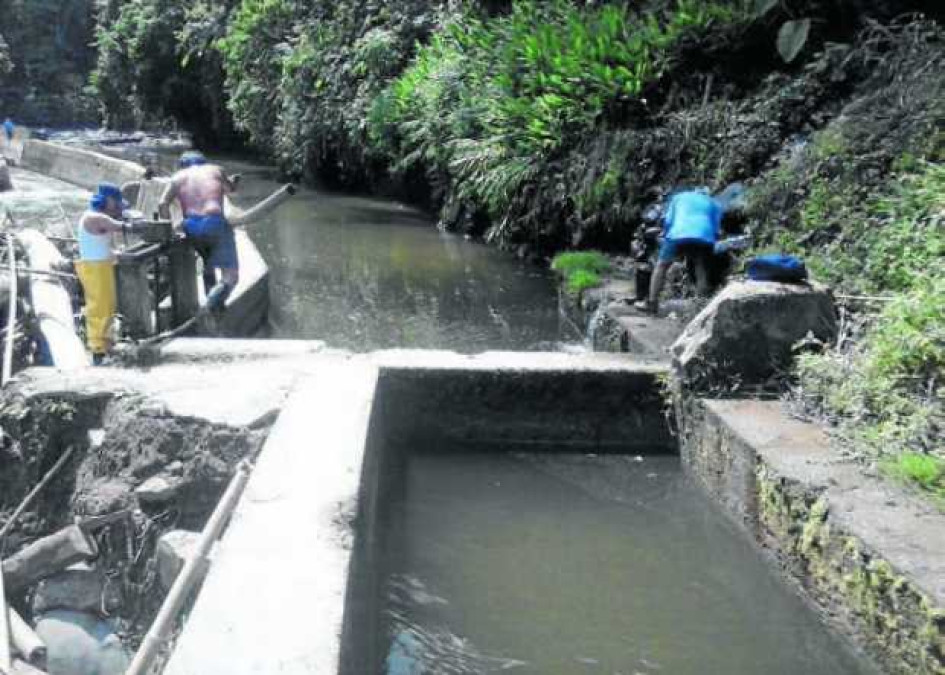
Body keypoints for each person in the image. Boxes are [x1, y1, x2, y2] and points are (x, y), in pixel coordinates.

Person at [158, 151, 239, 315]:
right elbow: (230, 189)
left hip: (191, 225)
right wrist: (234, 182)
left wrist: (168, 230)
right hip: (215, 222)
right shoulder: (216, 169)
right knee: (231, 276)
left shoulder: (177, 177)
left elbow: (162, 204)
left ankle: (215, 308)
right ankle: (211, 304)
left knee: (208, 265)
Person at [634, 188, 722, 315]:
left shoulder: (678, 197)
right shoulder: (713, 202)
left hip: (677, 233)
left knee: (662, 265)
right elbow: (716, 229)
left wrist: (665, 233)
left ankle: (652, 304)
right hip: (703, 235)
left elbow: (668, 220)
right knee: (700, 266)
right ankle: (701, 308)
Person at [75, 183, 128, 364]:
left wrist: (116, 253)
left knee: (107, 306)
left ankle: (107, 344)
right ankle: (98, 350)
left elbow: (104, 245)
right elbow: (119, 226)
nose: (119, 208)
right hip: (94, 268)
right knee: (99, 308)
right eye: (117, 204)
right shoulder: (95, 218)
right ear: (109, 201)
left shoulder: (100, 217)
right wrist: (131, 221)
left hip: (102, 265)